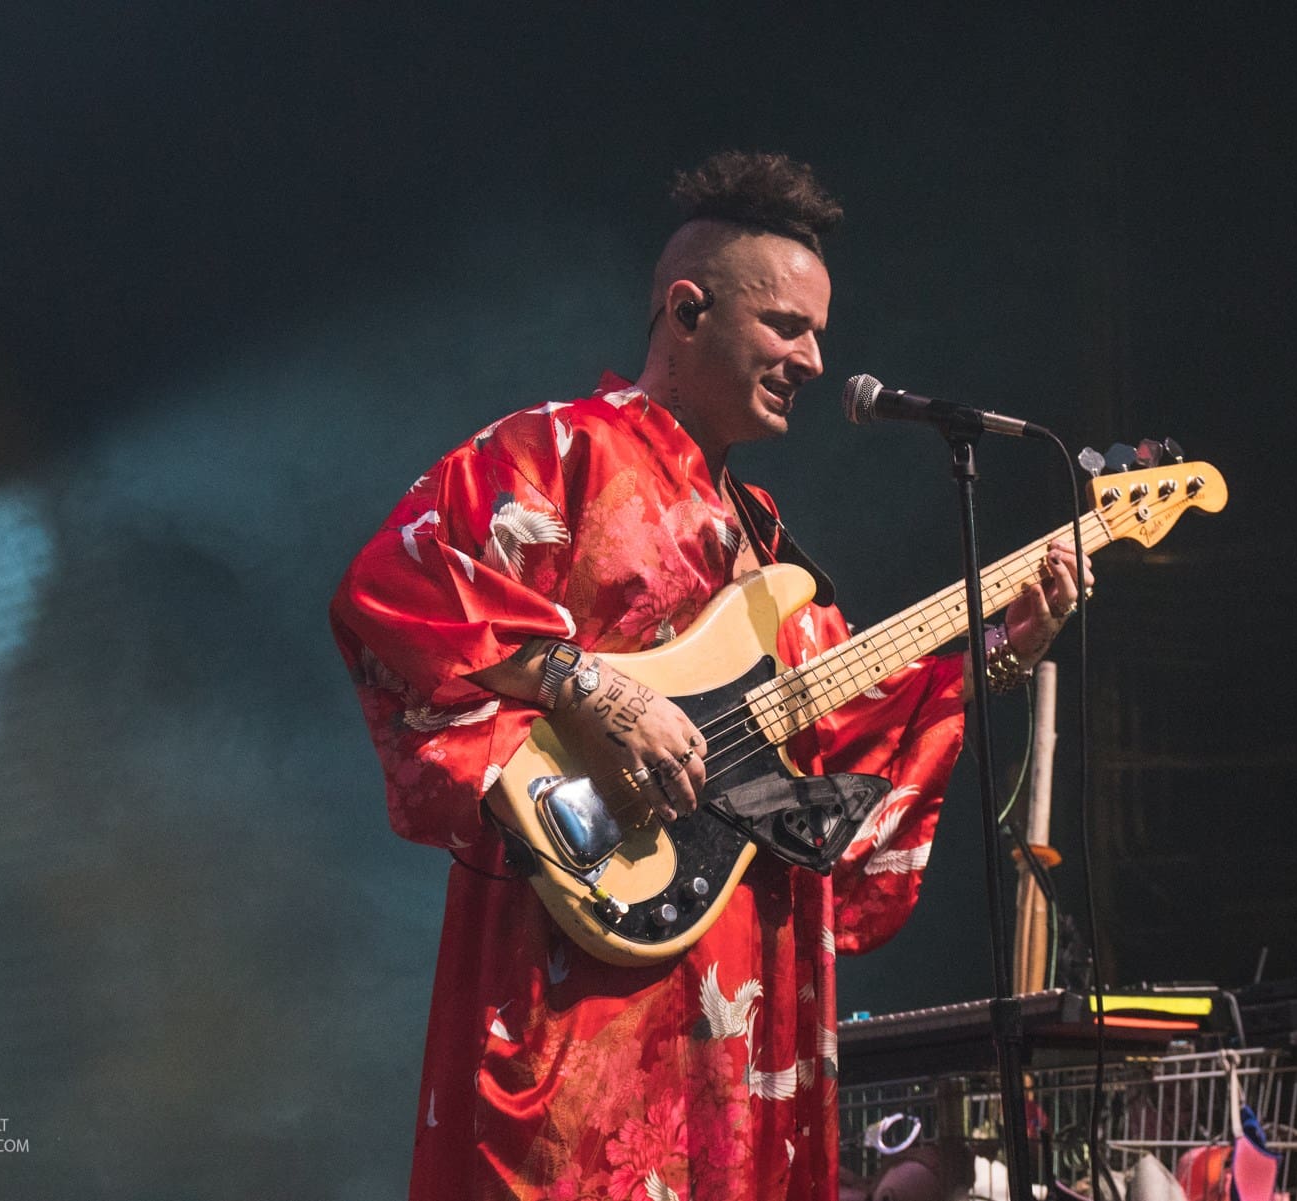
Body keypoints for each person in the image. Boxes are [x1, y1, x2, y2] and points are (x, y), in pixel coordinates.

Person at [330, 151, 1088, 1201]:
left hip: (737, 965)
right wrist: (595, 690)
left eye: (819, 333)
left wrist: (1004, 651)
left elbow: (838, 742)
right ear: (688, 312)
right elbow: (398, 586)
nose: (814, 359)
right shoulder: (557, 452)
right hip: (586, 954)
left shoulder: (763, 534)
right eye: (787, 325)